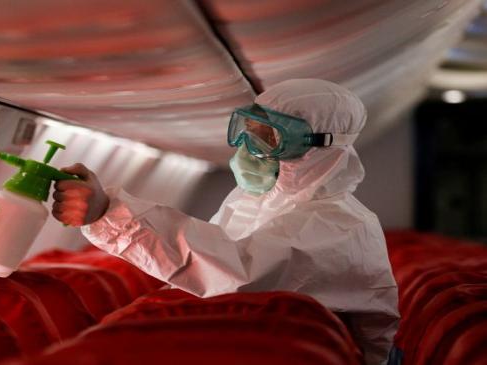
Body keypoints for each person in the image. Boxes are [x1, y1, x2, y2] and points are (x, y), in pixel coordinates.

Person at [52, 78, 399, 365]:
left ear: (320, 149)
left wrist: (109, 214)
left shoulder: (340, 227)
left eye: (268, 138)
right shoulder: (251, 203)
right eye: (247, 130)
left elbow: (235, 276)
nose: (247, 148)